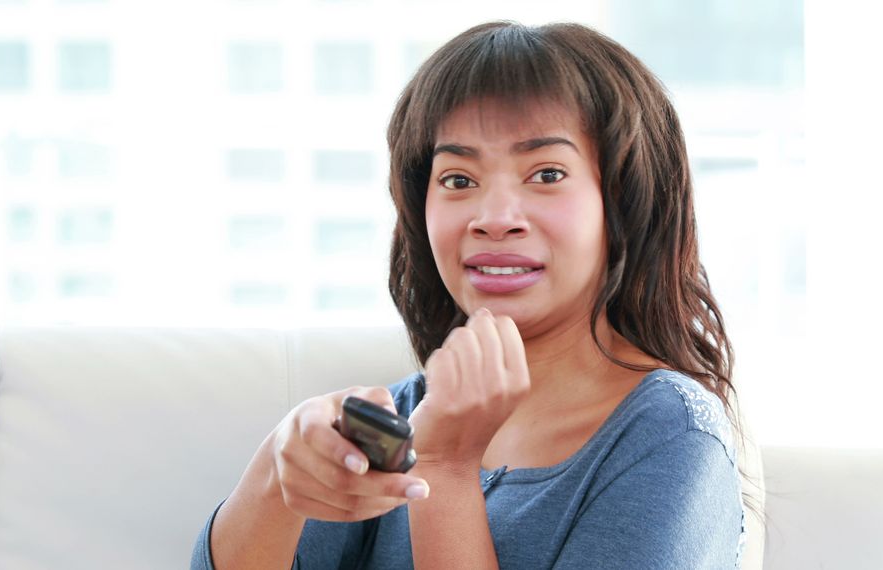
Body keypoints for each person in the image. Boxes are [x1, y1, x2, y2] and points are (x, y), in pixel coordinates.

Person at [193, 21, 750, 569]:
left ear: (624, 200)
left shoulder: (672, 435)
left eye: (547, 173)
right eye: (458, 180)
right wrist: (276, 468)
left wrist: (446, 467)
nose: (494, 219)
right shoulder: (398, 418)